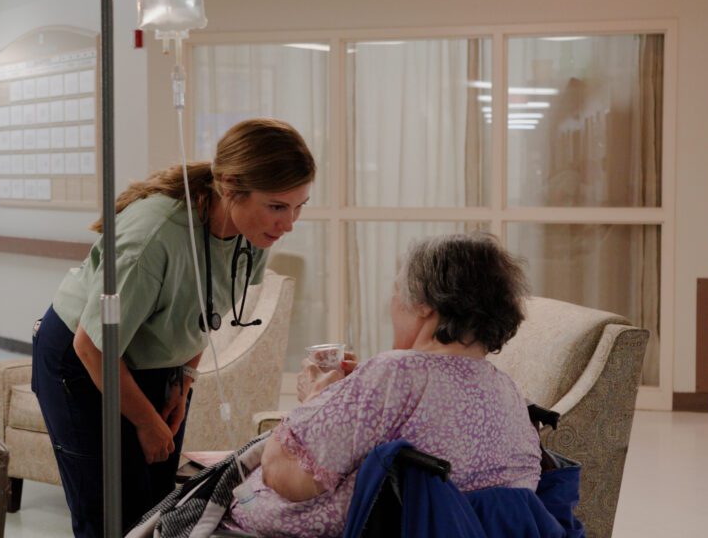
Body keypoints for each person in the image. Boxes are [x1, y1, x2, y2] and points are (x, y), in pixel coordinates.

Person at [31, 118, 316, 537]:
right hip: (82, 360)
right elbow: (92, 346)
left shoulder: (251, 233)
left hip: (150, 360)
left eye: (298, 207)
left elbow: (206, 309)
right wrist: (146, 421)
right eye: (277, 206)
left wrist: (184, 379)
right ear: (230, 186)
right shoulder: (156, 234)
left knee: (159, 508)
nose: (288, 223)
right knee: (111, 514)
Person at [226, 233, 542, 538]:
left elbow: (292, 480)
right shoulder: (509, 391)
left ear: (423, 304)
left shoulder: (396, 372)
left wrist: (317, 398)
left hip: (394, 528)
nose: (391, 303)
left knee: (235, 493)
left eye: (396, 290)